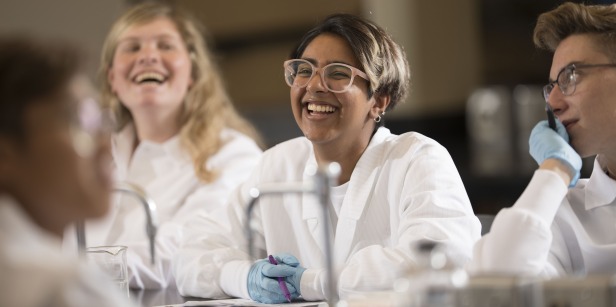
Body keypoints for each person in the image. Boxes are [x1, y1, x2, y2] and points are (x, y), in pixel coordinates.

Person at [174, 13, 481, 303]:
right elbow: (191, 256)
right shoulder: (277, 165)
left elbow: (438, 263)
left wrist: (311, 282)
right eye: (304, 70)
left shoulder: (416, 160)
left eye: (338, 74)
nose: (313, 86)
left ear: (379, 101)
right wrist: (244, 276)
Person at [63, 2, 263, 289]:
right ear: (113, 79)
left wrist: (65, 269)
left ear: (193, 74)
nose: (148, 56)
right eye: (132, 47)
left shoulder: (233, 156)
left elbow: (184, 256)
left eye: (165, 46)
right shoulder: (87, 154)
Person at [469, 2, 616, 277]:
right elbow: (497, 284)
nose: (554, 103)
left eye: (571, 76)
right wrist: (555, 169)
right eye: (552, 87)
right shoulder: (562, 212)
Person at [0, 36, 135, 306]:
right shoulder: (64, 287)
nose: (106, 149)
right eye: (80, 122)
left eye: (102, 123)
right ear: (5, 154)